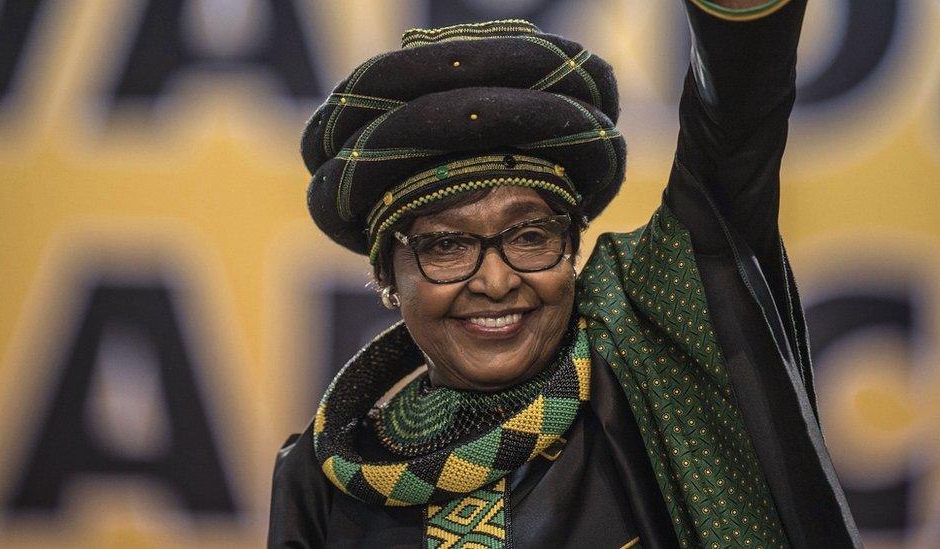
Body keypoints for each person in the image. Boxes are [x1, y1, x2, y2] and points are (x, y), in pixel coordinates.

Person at [269, 1, 862, 547]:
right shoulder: (318, 484)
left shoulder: (650, 358)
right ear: (389, 276)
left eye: (530, 236)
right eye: (446, 246)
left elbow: (732, 138)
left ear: (572, 248)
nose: (496, 282)